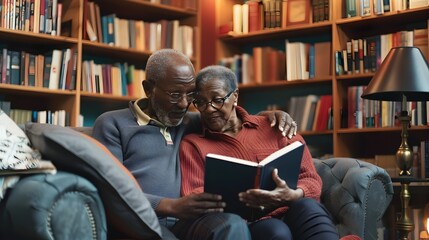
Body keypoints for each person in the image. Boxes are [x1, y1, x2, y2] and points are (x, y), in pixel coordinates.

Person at [92, 49, 297, 240]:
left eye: (190, 95)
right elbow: (108, 189)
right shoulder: (113, 124)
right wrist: (169, 206)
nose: (183, 104)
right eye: (174, 95)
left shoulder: (192, 120)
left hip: (188, 220)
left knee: (231, 224)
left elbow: (230, 118)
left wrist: (268, 118)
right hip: (141, 219)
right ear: (148, 89)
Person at [179, 65, 340, 240]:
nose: (209, 109)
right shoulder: (193, 144)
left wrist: (293, 194)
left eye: (217, 99)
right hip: (251, 222)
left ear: (235, 97)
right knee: (276, 232)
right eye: (200, 102)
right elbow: (193, 194)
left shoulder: (276, 126)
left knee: (309, 207)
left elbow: (311, 179)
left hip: (293, 208)